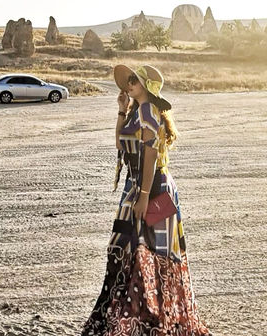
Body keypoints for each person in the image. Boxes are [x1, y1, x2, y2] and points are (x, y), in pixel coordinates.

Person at [80, 64, 211, 336]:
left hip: (153, 188)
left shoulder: (149, 111)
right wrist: (120, 109)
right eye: (128, 80)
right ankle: (137, 316)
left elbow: (150, 155)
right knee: (127, 249)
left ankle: (152, 319)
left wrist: (142, 196)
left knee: (153, 253)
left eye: (134, 80)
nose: (128, 83)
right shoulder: (136, 112)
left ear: (146, 86)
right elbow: (120, 144)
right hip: (138, 186)